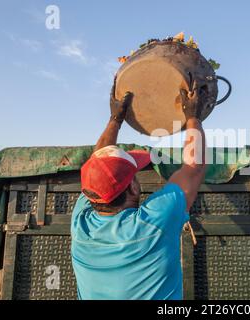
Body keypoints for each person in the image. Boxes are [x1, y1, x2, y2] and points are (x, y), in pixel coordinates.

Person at [70, 76, 207, 300]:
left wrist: (115, 119)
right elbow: (193, 168)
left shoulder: (80, 224)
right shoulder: (153, 222)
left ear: (90, 194)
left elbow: (99, 163)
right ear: (133, 187)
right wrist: (193, 116)